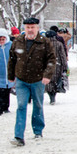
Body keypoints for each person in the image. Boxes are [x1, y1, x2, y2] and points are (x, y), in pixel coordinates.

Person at [8, 17, 55, 147]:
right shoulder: (18, 41)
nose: (30, 30)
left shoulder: (44, 42)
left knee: (38, 105)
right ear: (24, 28)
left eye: (32, 27)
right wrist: (11, 75)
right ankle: (18, 136)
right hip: (21, 79)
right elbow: (12, 59)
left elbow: (51, 60)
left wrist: (47, 75)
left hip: (38, 79)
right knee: (21, 105)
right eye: (28, 27)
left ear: (37, 28)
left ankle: (38, 130)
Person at [44, 30, 68, 105]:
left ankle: (51, 95)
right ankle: (53, 95)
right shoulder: (59, 44)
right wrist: (65, 66)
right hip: (57, 65)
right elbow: (62, 56)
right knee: (55, 81)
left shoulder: (44, 44)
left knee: (48, 81)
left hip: (47, 65)